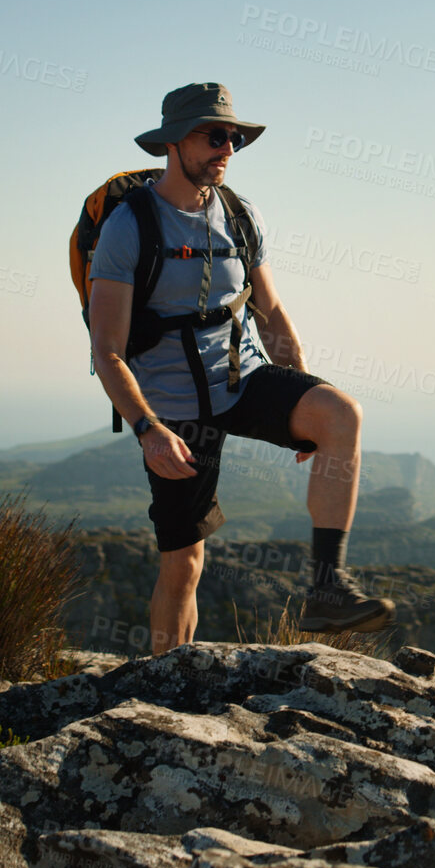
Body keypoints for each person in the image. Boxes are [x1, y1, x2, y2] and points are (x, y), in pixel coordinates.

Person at [85, 82, 395, 655]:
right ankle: (164, 681)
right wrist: (148, 430)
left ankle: (327, 589)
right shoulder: (129, 227)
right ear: (175, 142)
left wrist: (304, 391)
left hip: (242, 379)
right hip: (172, 406)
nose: (228, 147)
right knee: (184, 564)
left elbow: (269, 310)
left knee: (341, 414)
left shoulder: (240, 215)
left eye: (235, 137)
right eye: (215, 135)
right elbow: (106, 349)